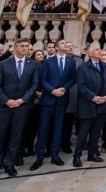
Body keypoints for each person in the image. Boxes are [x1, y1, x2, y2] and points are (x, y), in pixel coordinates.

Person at [0, 38, 39, 181]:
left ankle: (10, 163)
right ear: (15, 48)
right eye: (22, 46)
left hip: (22, 106)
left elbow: (34, 85)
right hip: (3, 107)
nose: (25, 48)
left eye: (27, 46)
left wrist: (23, 100)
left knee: (15, 137)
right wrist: (7, 100)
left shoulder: (33, 64)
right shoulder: (3, 64)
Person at [31, 39, 76, 170]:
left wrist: (64, 88)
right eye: (62, 43)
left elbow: (73, 78)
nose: (65, 45)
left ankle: (55, 154)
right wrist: (52, 90)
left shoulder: (70, 61)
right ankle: (39, 157)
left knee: (58, 128)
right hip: (48, 100)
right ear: (56, 48)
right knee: (44, 129)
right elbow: (43, 80)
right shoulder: (48, 61)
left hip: (62, 98)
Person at [72, 45, 106, 167]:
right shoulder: (83, 68)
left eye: (100, 50)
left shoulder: (104, 66)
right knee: (84, 132)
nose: (100, 52)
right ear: (90, 54)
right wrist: (93, 97)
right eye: (97, 50)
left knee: (96, 132)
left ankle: (92, 153)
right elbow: (81, 86)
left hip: (102, 103)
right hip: (88, 104)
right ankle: (77, 156)